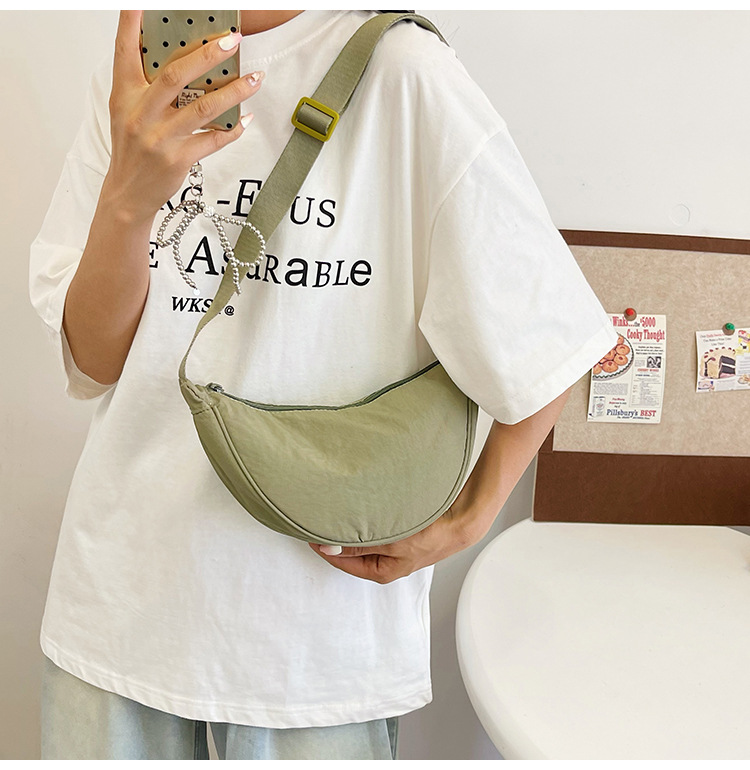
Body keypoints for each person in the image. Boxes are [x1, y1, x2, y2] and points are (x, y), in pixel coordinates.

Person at [29, 10, 618, 760]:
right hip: (118, 613)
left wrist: (469, 519)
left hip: (316, 645)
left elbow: (550, 330)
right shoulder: (139, 77)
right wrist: (128, 201)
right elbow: (93, 361)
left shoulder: (404, 71)